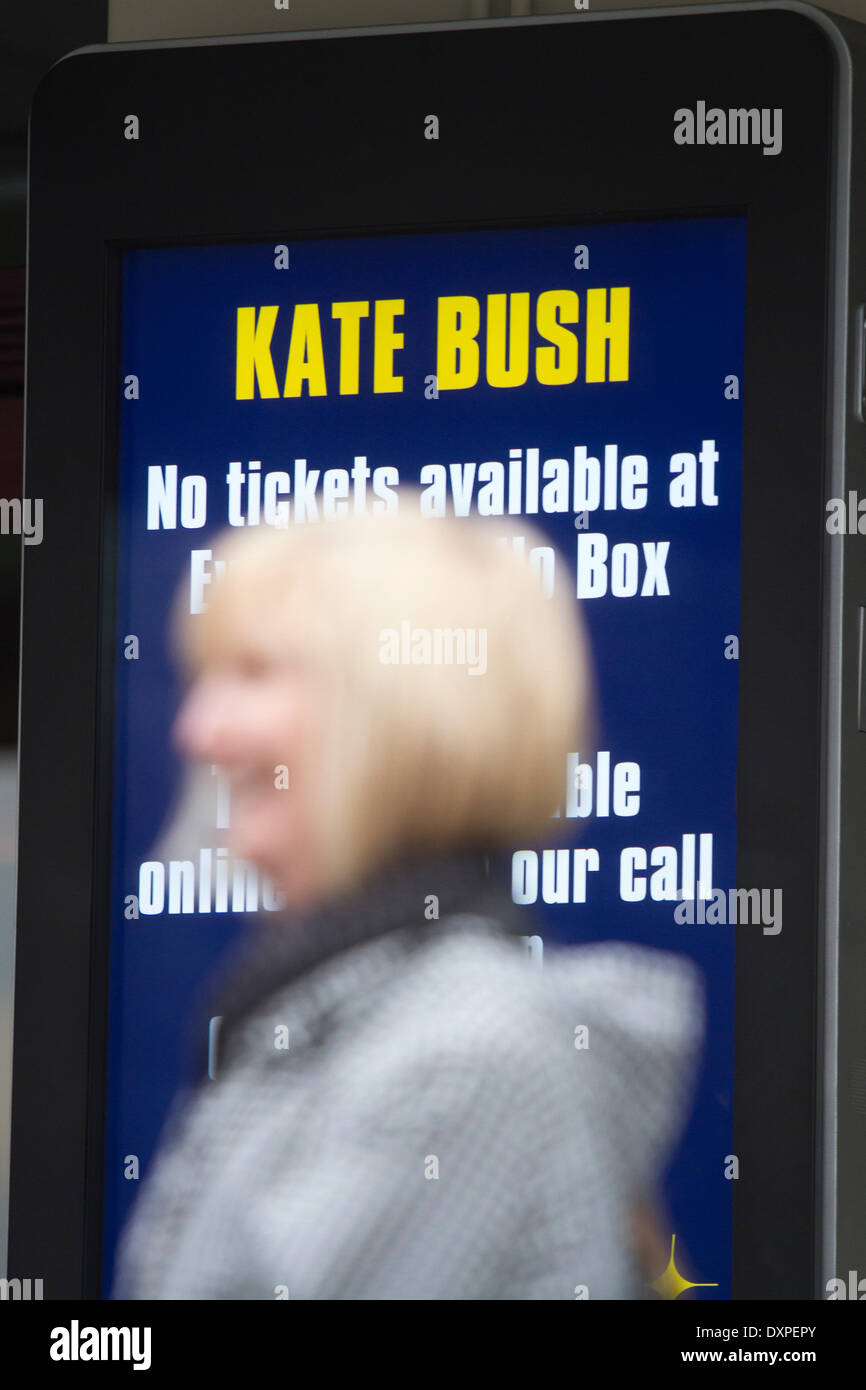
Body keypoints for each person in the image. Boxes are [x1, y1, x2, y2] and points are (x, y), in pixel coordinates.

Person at [113, 503, 703, 1300]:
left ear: (405, 713)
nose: (197, 730)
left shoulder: (461, 1061)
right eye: (203, 681)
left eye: (253, 674)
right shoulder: (340, 1020)